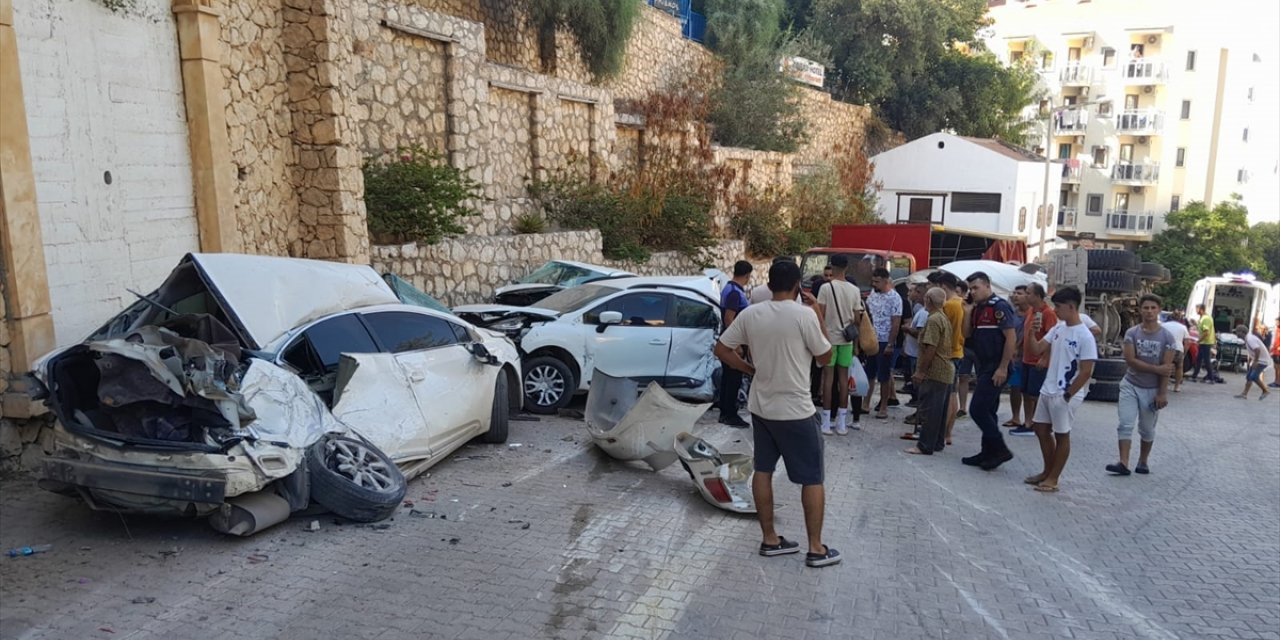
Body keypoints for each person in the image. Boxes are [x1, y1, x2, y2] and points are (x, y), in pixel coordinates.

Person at [714, 260, 841, 568]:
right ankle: (815, 548)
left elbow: (721, 348)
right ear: (798, 285)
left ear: (769, 285)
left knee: (763, 470)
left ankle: (770, 539)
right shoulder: (804, 315)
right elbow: (825, 357)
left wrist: (748, 370)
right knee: (812, 478)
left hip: (762, 407)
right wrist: (820, 317)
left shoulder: (750, 314)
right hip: (796, 409)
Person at [1024, 286, 1098, 493]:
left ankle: (1054, 478)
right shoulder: (1058, 328)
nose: (1055, 310)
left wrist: (1068, 394)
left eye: (1058, 306)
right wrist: (1031, 333)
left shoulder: (1085, 336)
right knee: (1040, 429)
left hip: (1065, 392)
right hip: (1048, 388)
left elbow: (1086, 370)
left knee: (1062, 433)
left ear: (1071, 307)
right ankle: (1047, 470)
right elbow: (1038, 348)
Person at [1106, 295, 1175, 476]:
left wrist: (1162, 393)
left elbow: (1166, 369)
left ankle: (1143, 461)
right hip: (1131, 384)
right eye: (1146, 308)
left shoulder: (1167, 337)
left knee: (1146, 428)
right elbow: (1131, 360)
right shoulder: (1132, 333)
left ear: (1159, 310)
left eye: (1153, 308)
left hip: (1152, 389)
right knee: (1125, 423)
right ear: (1140, 310)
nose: (1149, 311)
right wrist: (1155, 368)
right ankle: (1123, 462)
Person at [960, 272, 1018, 471]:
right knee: (989, 410)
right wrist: (968, 312)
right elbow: (966, 334)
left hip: (996, 366)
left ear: (987, 285)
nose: (972, 292)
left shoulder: (999, 307)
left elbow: (1011, 339)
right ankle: (988, 452)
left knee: (977, 409)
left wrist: (1002, 368)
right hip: (984, 365)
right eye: (971, 289)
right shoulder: (978, 309)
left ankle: (1000, 448)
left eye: (976, 288)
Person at [814, 254, 863, 435]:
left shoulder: (826, 288)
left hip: (829, 339)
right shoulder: (854, 290)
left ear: (832, 268)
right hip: (847, 340)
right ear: (847, 268)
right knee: (844, 380)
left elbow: (821, 314)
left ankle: (826, 422)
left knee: (828, 381)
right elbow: (857, 318)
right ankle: (842, 422)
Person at [905, 287, 955, 455]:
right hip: (945, 370)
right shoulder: (943, 318)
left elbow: (930, 348)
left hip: (935, 371)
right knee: (939, 410)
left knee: (929, 410)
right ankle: (937, 442)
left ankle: (925, 445)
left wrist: (920, 371)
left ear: (927, 299)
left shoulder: (933, 320)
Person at [927, 270, 966, 447]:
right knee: (952, 393)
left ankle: (945, 432)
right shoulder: (961, 302)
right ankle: (947, 433)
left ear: (942, 287)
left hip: (948, 353)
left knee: (947, 395)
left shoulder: (950, 305)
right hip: (957, 351)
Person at [1017, 283, 1057, 437]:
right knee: (1026, 392)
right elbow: (1027, 333)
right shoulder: (1031, 312)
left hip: (1038, 361)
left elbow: (1051, 337)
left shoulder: (1048, 314)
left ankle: (1040, 422)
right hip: (1027, 359)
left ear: (1038, 296)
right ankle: (1028, 422)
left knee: (1035, 394)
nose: (1026, 296)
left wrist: (1045, 358)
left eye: (1028, 293)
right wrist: (1018, 349)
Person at [717, 260, 753, 427]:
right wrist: (736, 343)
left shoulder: (729, 289)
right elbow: (729, 318)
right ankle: (730, 413)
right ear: (747, 276)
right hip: (732, 343)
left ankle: (725, 410)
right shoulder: (734, 293)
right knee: (733, 379)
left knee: (728, 378)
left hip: (729, 340)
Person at [863, 268, 902, 420]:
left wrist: (891, 343)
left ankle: (884, 405)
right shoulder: (873, 295)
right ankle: (866, 402)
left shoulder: (895, 298)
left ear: (886, 281)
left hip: (885, 339)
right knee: (869, 373)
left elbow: (896, 322)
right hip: (871, 339)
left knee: (884, 375)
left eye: (877, 282)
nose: (874, 284)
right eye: (873, 281)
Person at [901, 283, 929, 432]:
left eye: (918, 292)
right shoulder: (921, 310)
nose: (915, 294)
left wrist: (907, 329)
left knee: (920, 389)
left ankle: (921, 415)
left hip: (917, 355)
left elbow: (921, 334)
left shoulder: (925, 313)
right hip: (912, 353)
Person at [1005, 285, 1029, 432]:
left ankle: (1029, 420)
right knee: (1015, 387)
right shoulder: (1012, 314)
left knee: (1028, 390)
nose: (1015, 296)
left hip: (1029, 356)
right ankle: (1015, 417)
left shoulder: (1033, 314)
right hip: (1015, 358)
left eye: (1019, 293)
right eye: (1014, 293)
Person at [1234, 326, 1272, 400]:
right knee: (1249, 377)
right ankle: (1244, 394)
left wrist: (1255, 361)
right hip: (1259, 359)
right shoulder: (1248, 338)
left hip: (1262, 360)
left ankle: (1265, 391)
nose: (1236, 334)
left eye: (1237, 332)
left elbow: (1257, 350)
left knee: (1253, 376)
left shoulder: (1250, 339)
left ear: (1242, 332)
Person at [1191, 305, 1225, 383]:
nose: (1196, 311)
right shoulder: (1205, 317)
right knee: (1199, 359)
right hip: (1205, 342)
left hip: (1205, 342)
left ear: (1201, 310)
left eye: (1197, 309)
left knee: (1206, 360)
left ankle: (1211, 378)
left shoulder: (1205, 319)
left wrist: (1198, 340)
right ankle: (1194, 376)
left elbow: (1206, 332)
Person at [1161, 310, 1191, 392]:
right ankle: (1177, 387)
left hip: (1167, 349)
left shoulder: (1163, 326)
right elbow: (1187, 342)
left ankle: (1164, 385)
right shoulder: (1183, 327)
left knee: (1166, 367)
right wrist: (1184, 353)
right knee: (1179, 368)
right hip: (1178, 349)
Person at [1271, 316, 1280, 389]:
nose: (1276, 323)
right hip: (1275, 351)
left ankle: (1278, 382)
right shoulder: (1277, 329)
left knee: (1278, 368)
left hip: (1279, 352)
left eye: (1277, 321)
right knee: (1275, 367)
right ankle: (1276, 381)